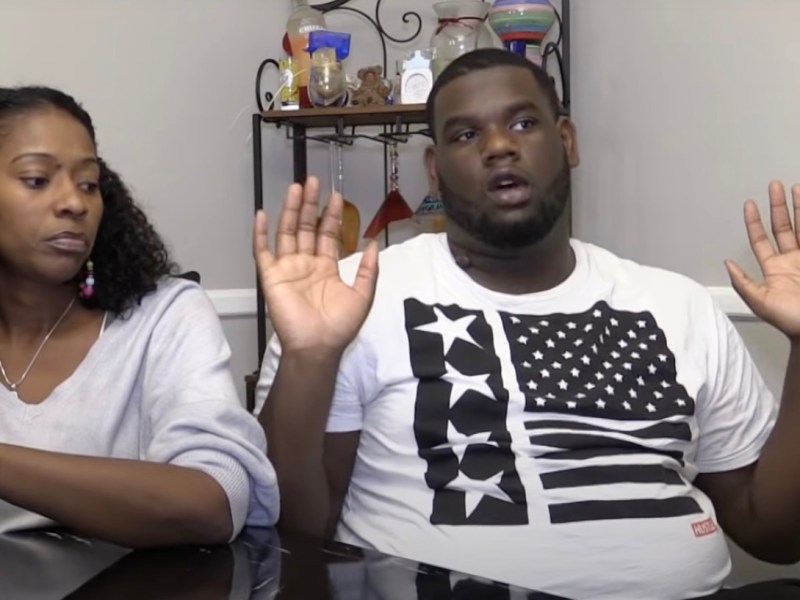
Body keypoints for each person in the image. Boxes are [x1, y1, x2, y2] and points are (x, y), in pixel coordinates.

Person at [253, 48, 800, 599]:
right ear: (435, 171)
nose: (498, 146)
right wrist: (308, 357)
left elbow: (775, 535)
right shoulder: (353, 301)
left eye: (523, 122)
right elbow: (292, 531)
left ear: (567, 142)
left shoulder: (678, 305)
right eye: (466, 135)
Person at [0, 86, 278, 548]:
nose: (74, 202)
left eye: (89, 183)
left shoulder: (165, 317)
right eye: (36, 179)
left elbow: (213, 502)